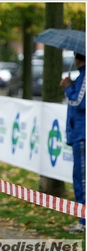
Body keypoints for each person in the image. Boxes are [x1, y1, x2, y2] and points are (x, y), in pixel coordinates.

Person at [60, 52, 86, 234]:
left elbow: (79, 102)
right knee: (79, 179)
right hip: (78, 135)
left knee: (82, 180)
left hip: (82, 136)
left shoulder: (85, 76)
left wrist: (68, 87)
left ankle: (83, 221)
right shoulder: (81, 76)